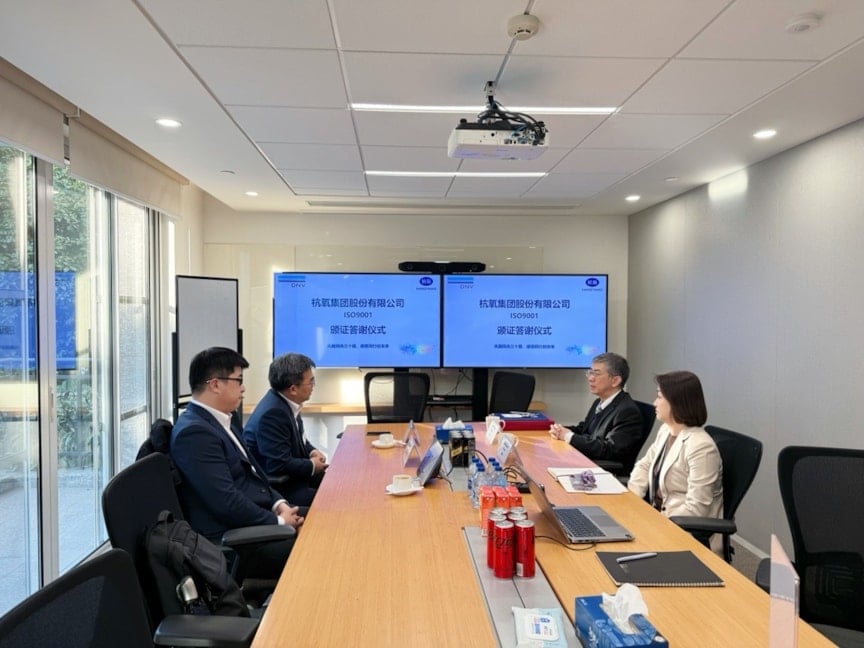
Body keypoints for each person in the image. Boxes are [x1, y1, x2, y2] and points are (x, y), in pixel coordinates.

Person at [170, 347, 303, 577]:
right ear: (215, 385)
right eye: (238, 380)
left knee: (322, 519)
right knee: (316, 546)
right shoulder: (194, 434)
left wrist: (279, 504)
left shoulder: (224, 420)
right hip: (235, 540)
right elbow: (226, 502)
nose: (243, 388)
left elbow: (255, 474)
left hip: (256, 517)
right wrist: (278, 521)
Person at [628, 370, 723, 551]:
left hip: (683, 533)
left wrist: (654, 524)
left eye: (659, 397)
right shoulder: (666, 430)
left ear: (677, 402)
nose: (655, 403)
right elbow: (645, 465)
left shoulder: (701, 447)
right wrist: (633, 500)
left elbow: (696, 509)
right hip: (657, 518)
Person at [243, 353, 328, 506]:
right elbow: (278, 464)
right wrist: (312, 465)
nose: (313, 386)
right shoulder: (273, 414)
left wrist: (312, 452)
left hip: (296, 478)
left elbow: (299, 439)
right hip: (282, 489)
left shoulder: (286, 401)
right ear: (293, 389)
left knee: (339, 485)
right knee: (332, 501)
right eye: (311, 381)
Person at [548, 353, 644, 470]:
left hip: (603, 470)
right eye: (590, 372)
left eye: (596, 374)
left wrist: (569, 436)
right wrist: (559, 430)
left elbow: (610, 450)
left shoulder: (627, 411)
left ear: (615, 381)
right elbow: (584, 430)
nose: (590, 378)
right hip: (585, 460)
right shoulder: (599, 402)